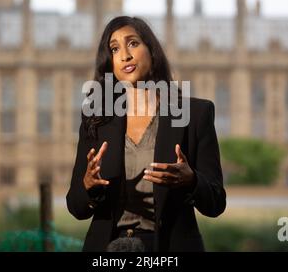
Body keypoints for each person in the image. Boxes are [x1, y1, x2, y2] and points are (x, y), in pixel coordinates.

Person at [66, 16, 226, 252]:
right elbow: (76, 207)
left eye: (132, 43)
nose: (125, 55)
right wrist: (89, 185)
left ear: (152, 51)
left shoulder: (195, 114)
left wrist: (191, 180)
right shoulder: (97, 120)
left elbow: (215, 203)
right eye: (114, 48)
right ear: (109, 62)